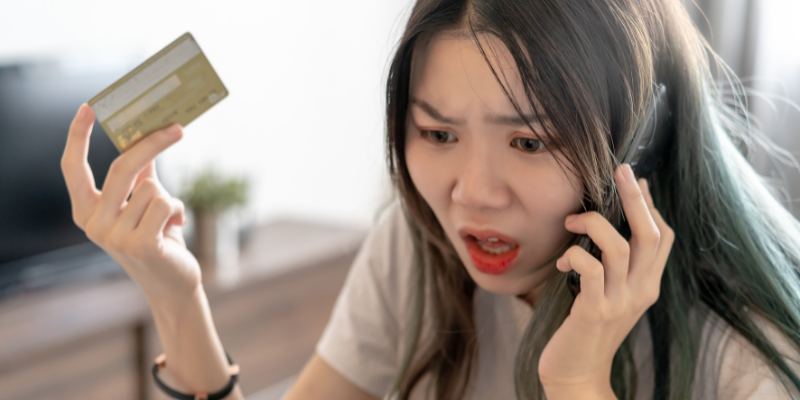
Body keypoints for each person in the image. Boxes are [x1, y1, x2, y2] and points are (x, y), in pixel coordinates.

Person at [60, 0, 800, 399]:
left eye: (531, 142)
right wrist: (175, 293)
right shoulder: (419, 250)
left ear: (642, 140)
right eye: (437, 134)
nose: (471, 195)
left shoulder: (746, 352)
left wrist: (575, 382)